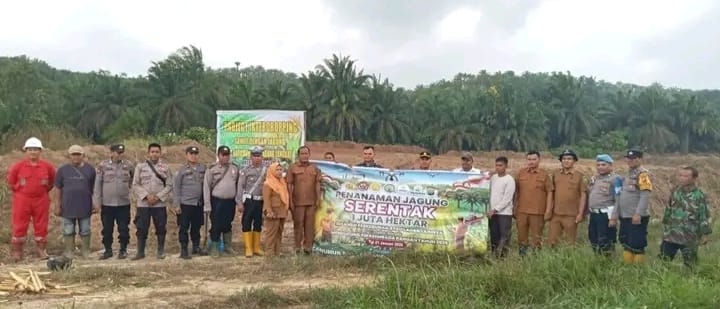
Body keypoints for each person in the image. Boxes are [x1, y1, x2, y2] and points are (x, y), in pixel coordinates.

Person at [7, 137, 56, 261]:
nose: (33, 152)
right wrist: (21, 191)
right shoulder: (18, 167)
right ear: (26, 151)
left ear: (40, 151)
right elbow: (11, 182)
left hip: (41, 199)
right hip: (22, 200)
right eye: (30, 150)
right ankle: (17, 252)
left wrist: (42, 191)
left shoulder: (47, 167)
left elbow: (52, 181)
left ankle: (41, 250)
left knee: (41, 224)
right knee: (19, 224)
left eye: (35, 149)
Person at [659, 166, 712, 268]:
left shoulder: (699, 195)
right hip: (671, 234)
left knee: (690, 264)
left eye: (686, 176)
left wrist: (705, 234)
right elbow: (668, 210)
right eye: (680, 175)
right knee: (664, 260)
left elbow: (703, 215)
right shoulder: (675, 192)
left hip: (689, 235)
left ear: (694, 178)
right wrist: (665, 226)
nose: (682, 178)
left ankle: (690, 282)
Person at [53, 145, 97, 259]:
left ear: (83, 155)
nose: (76, 157)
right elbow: (58, 189)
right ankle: (69, 252)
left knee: (85, 230)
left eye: (78, 154)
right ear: (69, 156)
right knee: (68, 230)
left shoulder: (90, 170)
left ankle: (86, 251)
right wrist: (57, 205)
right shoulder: (62, 170)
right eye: (73, 154)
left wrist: (95, 203)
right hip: (67, 206)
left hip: (84, 205)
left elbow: (93, 188)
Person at [131, 143, 173, 260]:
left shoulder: (165, 168)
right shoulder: (140, 167)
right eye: (152, 152)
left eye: (157, 152)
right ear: (148, 153)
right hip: (144, 204)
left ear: (160, 153)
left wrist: (158, 197)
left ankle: (160, 251)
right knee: (141, 227)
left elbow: (169, 185)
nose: (154, 154)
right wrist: (146, 196)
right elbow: (135, 184)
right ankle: (140, 252)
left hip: (159, 204)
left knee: (160, 227)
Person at [611, 149, 653, 264]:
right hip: (625, 215)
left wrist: (638, 213)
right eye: (629, 158)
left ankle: (637, 269)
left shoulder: (643, 174)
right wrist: (615, 215)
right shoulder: (627, 174)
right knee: (626, 241)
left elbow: (645, 196)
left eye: (634, 158)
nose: (631, 160)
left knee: (637, 243)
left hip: (637, 216)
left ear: (640, 159)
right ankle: (627, 266)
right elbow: (620, 195)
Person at [95, 144, 135, 260]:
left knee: (123, 228)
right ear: (111, 153)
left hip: (123, 203)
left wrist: (128, 190)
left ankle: (123, 250)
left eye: (122, 152)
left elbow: (133, 179)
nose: (120, 155)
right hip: (107, 204)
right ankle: (108, 250)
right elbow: (97, 185)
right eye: (118, 152)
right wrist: (97, 202)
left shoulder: (128, 165)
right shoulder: (103, 166)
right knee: (107, 228)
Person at [514, 151, 554, 256]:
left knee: (537, 237)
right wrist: (514, 207)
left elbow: (550, 192)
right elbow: (516, 191)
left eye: (534, 159)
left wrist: (548, 210)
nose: (531, 162)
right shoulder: (521, 173)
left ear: (539, 160)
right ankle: (523, 258)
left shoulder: (544, 175)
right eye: (529, 159)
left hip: (538, 212)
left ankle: (536, 259)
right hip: (522, 211)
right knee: (521, 237)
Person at [204, 145, 241, 257]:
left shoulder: (234, 168)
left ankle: (227, 246)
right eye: (223, 155)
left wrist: (238, 201)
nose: (225, 157)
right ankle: (214, 247)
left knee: (227, 223)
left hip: (230, 202)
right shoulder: (212, 169)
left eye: (227, 155)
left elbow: (238, 185)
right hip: (216, 201)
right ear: (218, 155)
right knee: (216, 224)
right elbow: (206, 187)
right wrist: (207, 205)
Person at [287, 146, 323, 255]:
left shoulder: (315, 168)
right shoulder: (292, 168)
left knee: (310, 226)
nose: (304, 155)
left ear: (309, 155)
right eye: (302, 153)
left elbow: (318, 184)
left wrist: (318, 199)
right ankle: (297, 247)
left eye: (306, 153)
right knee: (298, 225)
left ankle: (308, 248)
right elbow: (289, 185)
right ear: (298, 155)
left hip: (311, 203)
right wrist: (290, 201)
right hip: (297, 203)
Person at [547, 149, 587, 247]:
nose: (566, 161)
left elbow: (583, 195)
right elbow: (551, 193)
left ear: (574, 161)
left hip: (571, 215)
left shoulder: (579, 176)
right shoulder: (555, 174)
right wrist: (548, 210)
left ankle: (568, 261)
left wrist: (581, 214)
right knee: (552, 242)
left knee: (569, 243)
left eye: (569, 159)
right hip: (556, 214)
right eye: (564, 159)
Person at [173, 146, 206, 259]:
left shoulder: (203, 168)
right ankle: (184, 249)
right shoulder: (181, 170)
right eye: (191, 153)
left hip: (198, 204)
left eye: (196, 153)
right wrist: (176, 205)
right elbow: (176, 188)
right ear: (186, 155)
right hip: (185, 204)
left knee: (196, 226)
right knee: (184, 227)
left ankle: (196, 247)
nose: (194, 155)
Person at [587, 154, 621, 256]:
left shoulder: (616, 179)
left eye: (603, 165)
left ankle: (608, 263)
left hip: (606, 214)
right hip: (594, 214)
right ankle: (598, 261)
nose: (600, 167)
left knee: (605, 241)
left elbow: (618, 199)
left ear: (610, 166)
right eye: (598, 165)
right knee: (593, 239)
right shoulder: (595, 178)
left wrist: (614, 217)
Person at [236, 146, 266, 258]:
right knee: (246, 223)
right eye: (255, 156)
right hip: (249, 201)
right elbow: (240, 187)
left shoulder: (266, 170)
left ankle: (256, 248)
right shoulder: (245, 170)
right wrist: (239, 202)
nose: (257, 158)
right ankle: (248, 248)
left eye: (259, 156)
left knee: (258, 224)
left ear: (262, 157)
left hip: (261, 201)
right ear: (251, 157)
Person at [261, 162, 289, 257]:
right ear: (272, 171)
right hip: (272, 212)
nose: (279, 172)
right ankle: (269, 253)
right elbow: (266, 199)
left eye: (280, 169)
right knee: (271, 233)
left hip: (281, 211)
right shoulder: (268, 183)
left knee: (279, 233)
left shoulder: (282, 182)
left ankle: (277, 252)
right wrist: (269, 211)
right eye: (277, 170)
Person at [489, 156, 515, 258]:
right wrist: (491, 209)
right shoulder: (493, 178)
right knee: (494, 236)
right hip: (492, 213)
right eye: (496, 165)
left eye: (500, 165)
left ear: (506, 166)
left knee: (504, 236)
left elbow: (507, 199)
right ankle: (494, 256)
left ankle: (503, 258)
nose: (498, 167)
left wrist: (495, 209)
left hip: (504, 214)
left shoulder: (509, 180)